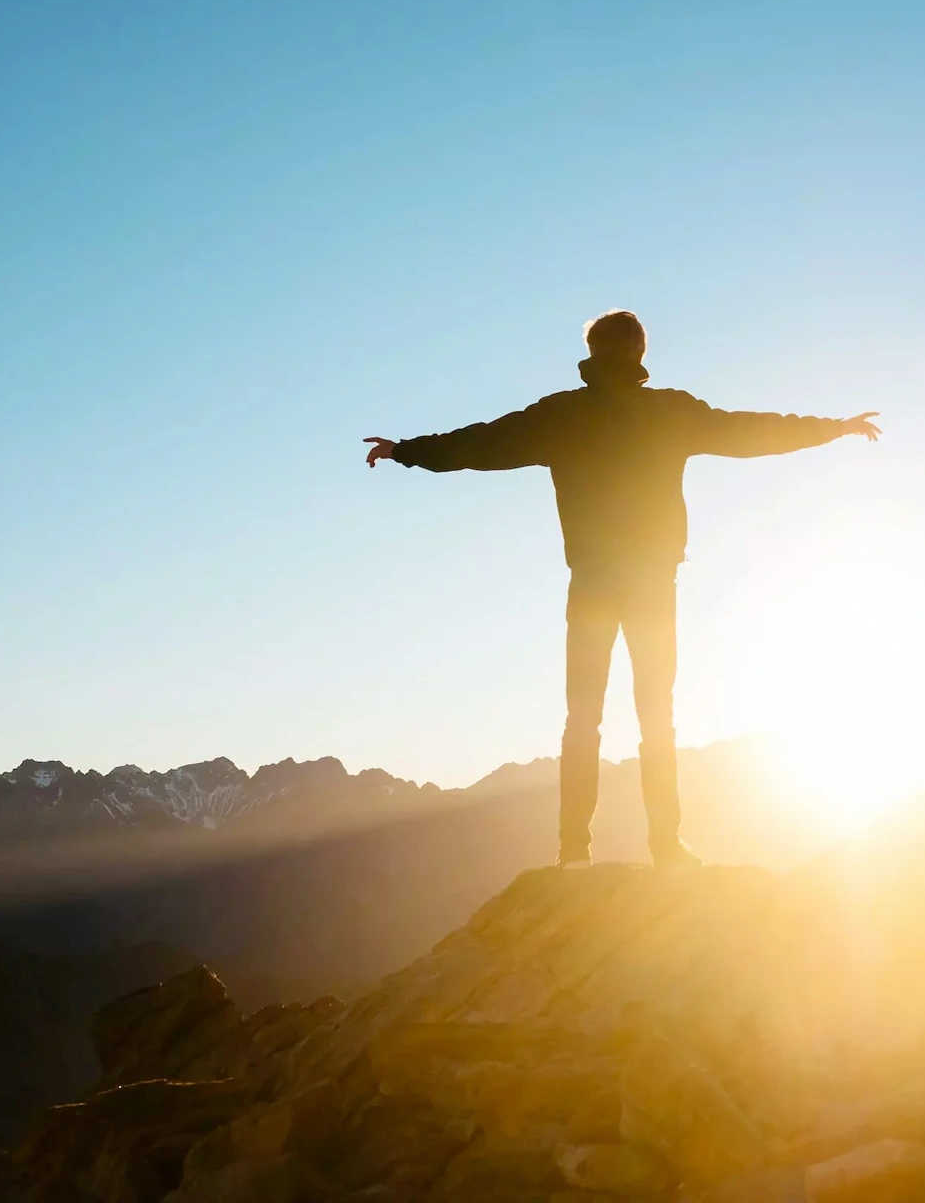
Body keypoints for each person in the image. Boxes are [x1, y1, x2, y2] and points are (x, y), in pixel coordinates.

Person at [365, 310, 880, 868]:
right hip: (654, 583)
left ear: (592, 350)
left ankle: (573, 851)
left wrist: (406, 450)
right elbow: (753, 431)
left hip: (591, 582)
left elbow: (482, 444)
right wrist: (835, 427)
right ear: (639, 352)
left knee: (582, 717)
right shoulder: (669, 412)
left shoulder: (561, 415)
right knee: (657, 714)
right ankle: (666, 847)